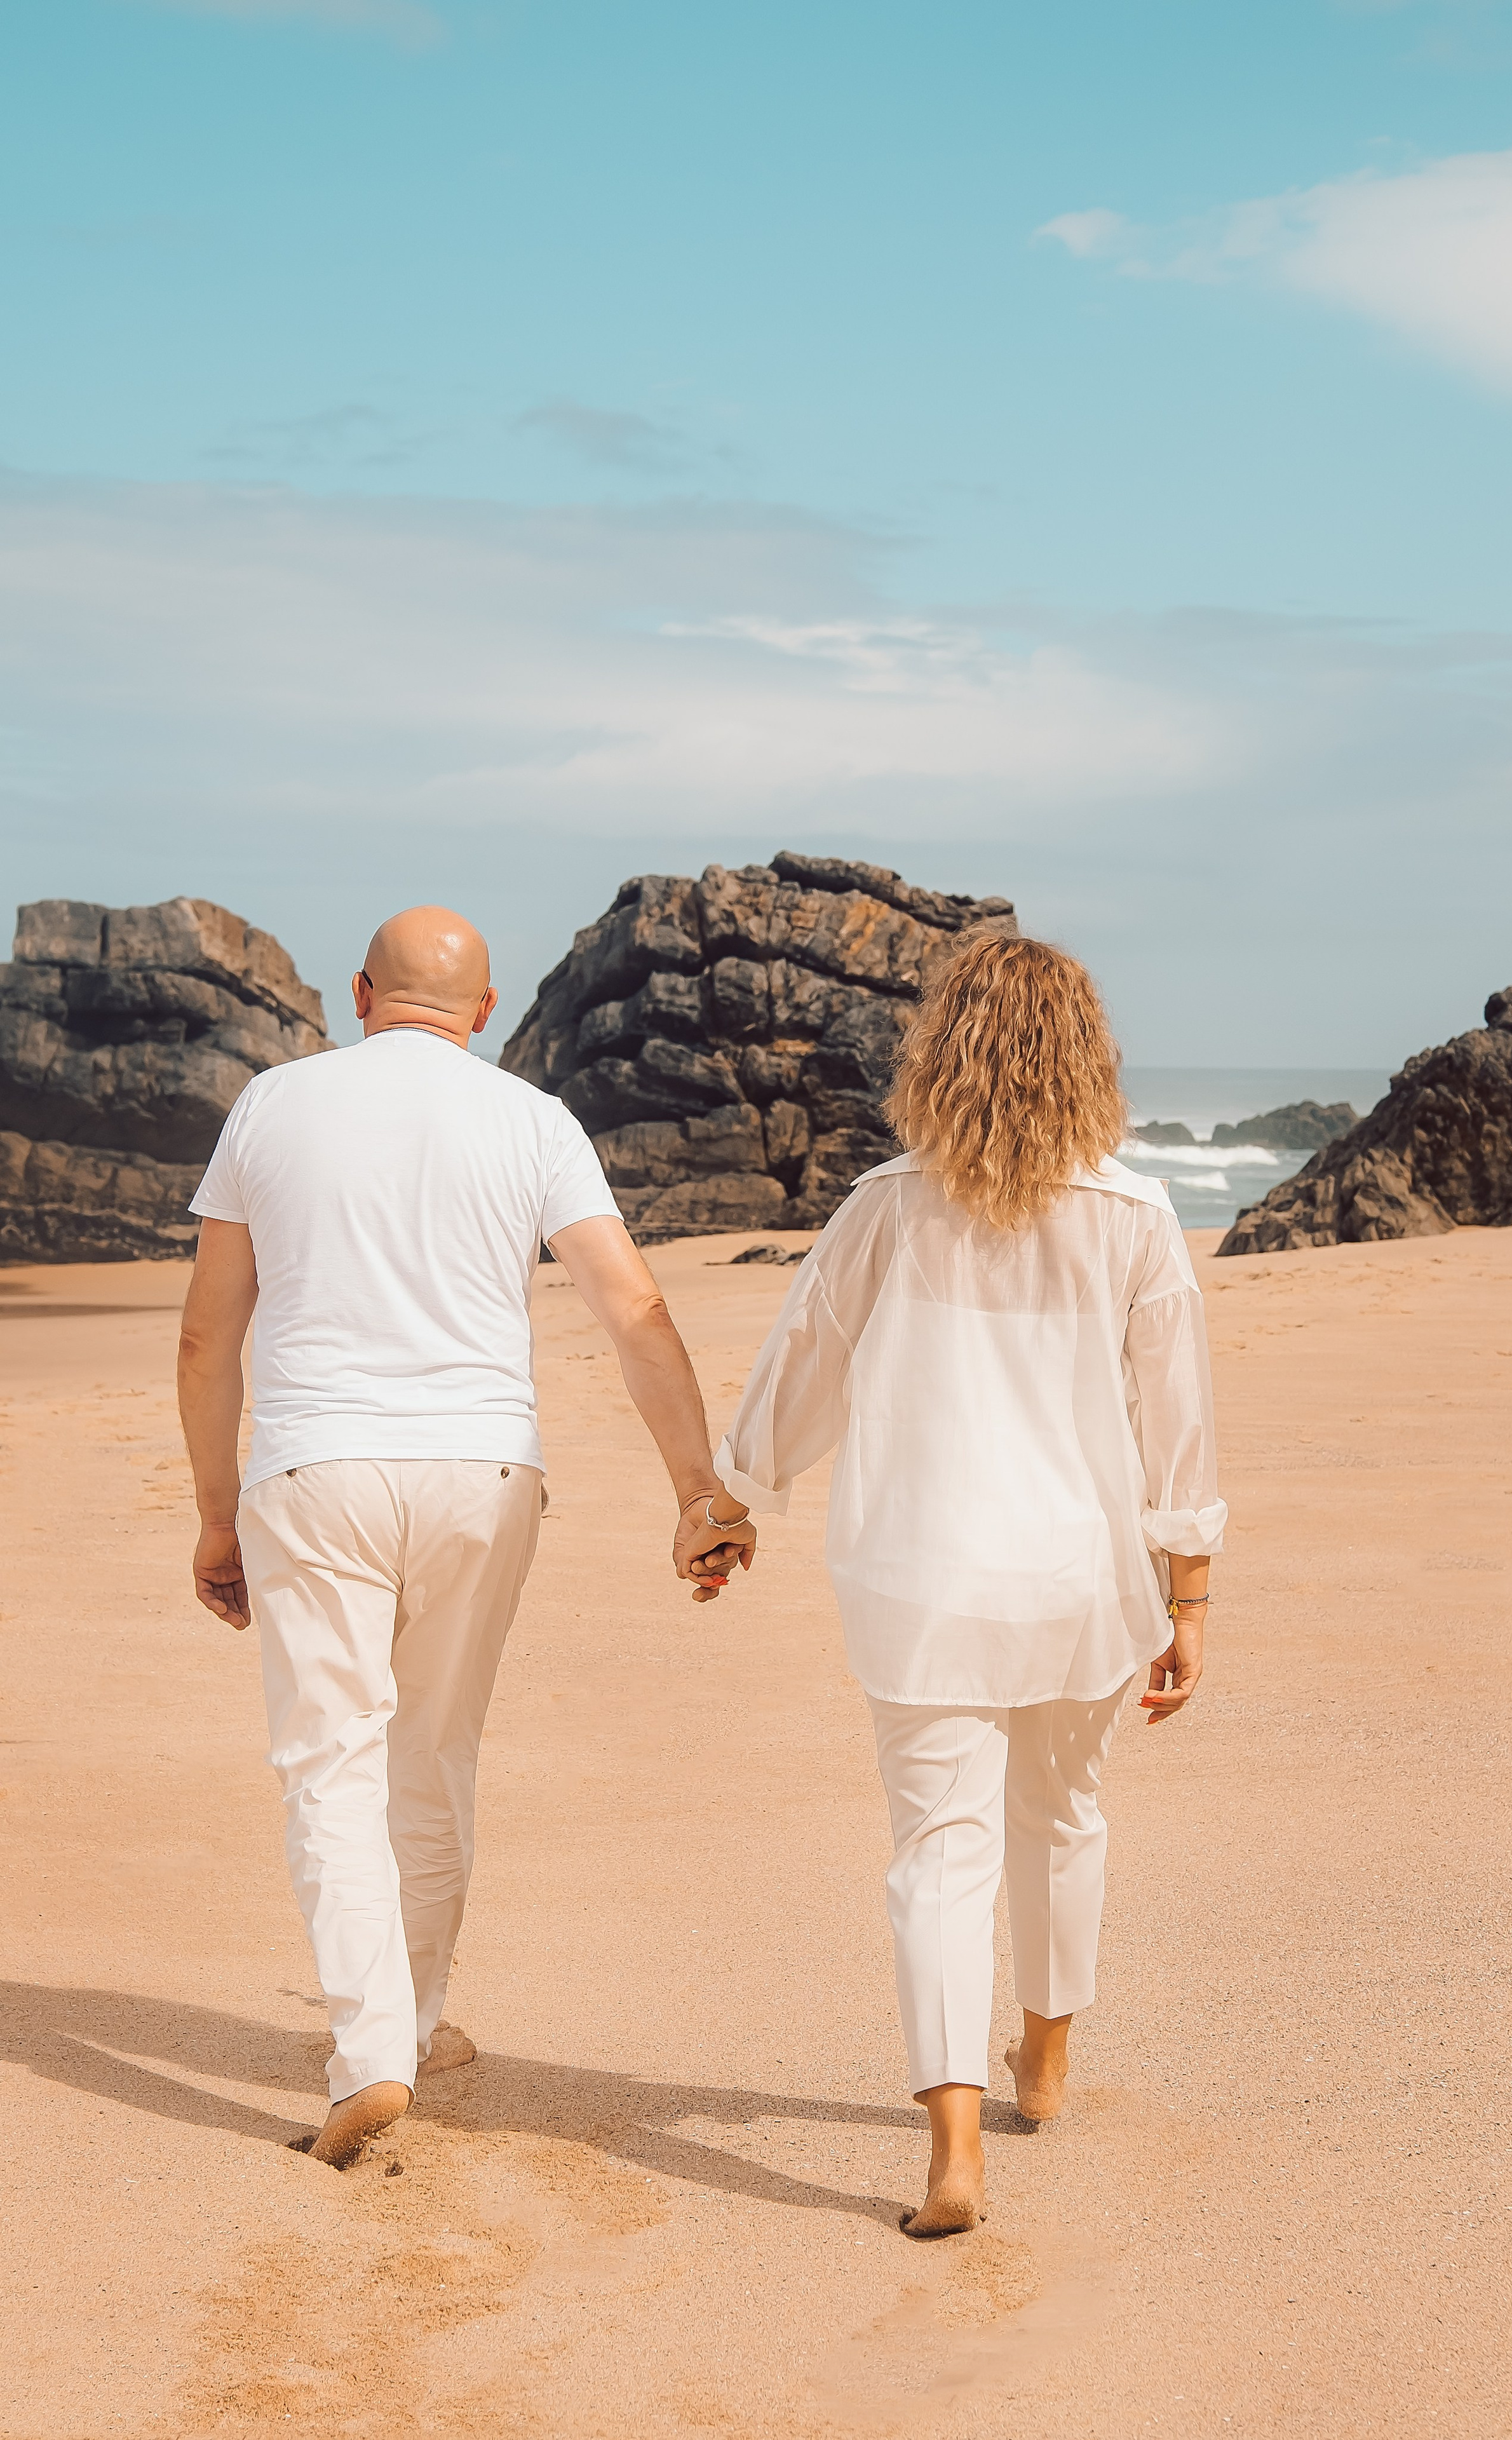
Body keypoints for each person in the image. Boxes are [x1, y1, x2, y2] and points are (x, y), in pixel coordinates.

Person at [177, 906, 754, 2169]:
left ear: (359, 993)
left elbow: (206, 1334)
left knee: (328, 1761)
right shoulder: (530, 1118)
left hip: (312, 1468)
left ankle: (369, 2047)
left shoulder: (274, 1104)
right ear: (484, 1013)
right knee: (432, 1753)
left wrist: (218, 1516)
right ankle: (418, 2024)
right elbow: (632, 1307)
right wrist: (695, 1489)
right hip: (484, 1471)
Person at [715, 933, 1224, 2237]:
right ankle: (1043, 2067)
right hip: (1079, 1578)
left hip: (922, 1576)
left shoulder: (887, 1204)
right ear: (1085, 1060)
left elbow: (801, 1368)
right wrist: (1192, 1595)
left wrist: (732, 1494)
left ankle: (952, 2152)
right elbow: (1177, 1423)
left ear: (939, 1051)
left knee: (938, 1852)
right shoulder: (1134, 1215)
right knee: (1062, 1818)